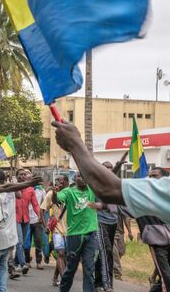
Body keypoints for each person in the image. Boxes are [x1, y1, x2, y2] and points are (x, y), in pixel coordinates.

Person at [52, 119, 170, 222]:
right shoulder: (71, 191)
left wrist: (75, 144)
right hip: (89, 227)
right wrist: (54, 193)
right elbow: (106, 185)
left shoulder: (92, 187)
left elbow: (108, 186)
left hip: (109, 223)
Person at [53, 171, 98, 292]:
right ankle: (64, 289)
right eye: (79, 176)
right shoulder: (68, 192)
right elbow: (56, 200)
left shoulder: (91, 190)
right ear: (74, 179)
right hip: (74, 236)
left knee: (89, 269)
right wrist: (54, 193)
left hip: (91, 234)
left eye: (84, 175)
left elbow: (105, 182)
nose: (82, 178)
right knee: (71, 268)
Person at [93, 162, 120, 292]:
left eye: (110, 167)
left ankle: (97, 282)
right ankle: (107, 284)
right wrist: (117, 167)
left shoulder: (116, 184)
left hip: (113, 222)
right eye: (106, 167)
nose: (108, 169)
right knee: (106, 250)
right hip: (100, 221)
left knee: (103, 253)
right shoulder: (97, 183)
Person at [41, 175, 69, 287]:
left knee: (65, 256)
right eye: (57, 180)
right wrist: (45, 226)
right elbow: (42, 210)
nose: (58, 182)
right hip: (57, 229)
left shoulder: (71, 193)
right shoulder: (51, 194)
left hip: (70, 230)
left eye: (61, 180)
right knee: (60, 253)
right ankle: (64, 281)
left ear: (67, 182)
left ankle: (55, 277)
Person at [13, 169, 40, 275]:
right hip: (15, 218)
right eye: (20, 175)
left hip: (26, 219)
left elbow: (35, 204)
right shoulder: (13, 188)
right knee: (19, 241)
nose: (23, 176)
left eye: (24, 175)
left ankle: (15, 263)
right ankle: (23, 264)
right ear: (17, 176)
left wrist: (39, 216)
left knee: (22, 243)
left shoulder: (30, 189)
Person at [24, 170, 45, 270]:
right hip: (26, 220)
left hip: (37, 220)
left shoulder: (41, 191)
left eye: (31, 179)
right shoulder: (24, 189)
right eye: (28, 179)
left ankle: (38, 261)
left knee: (38, 241)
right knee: (26, 242)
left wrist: (42, 217)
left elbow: (44, 205)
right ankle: (27, 260)